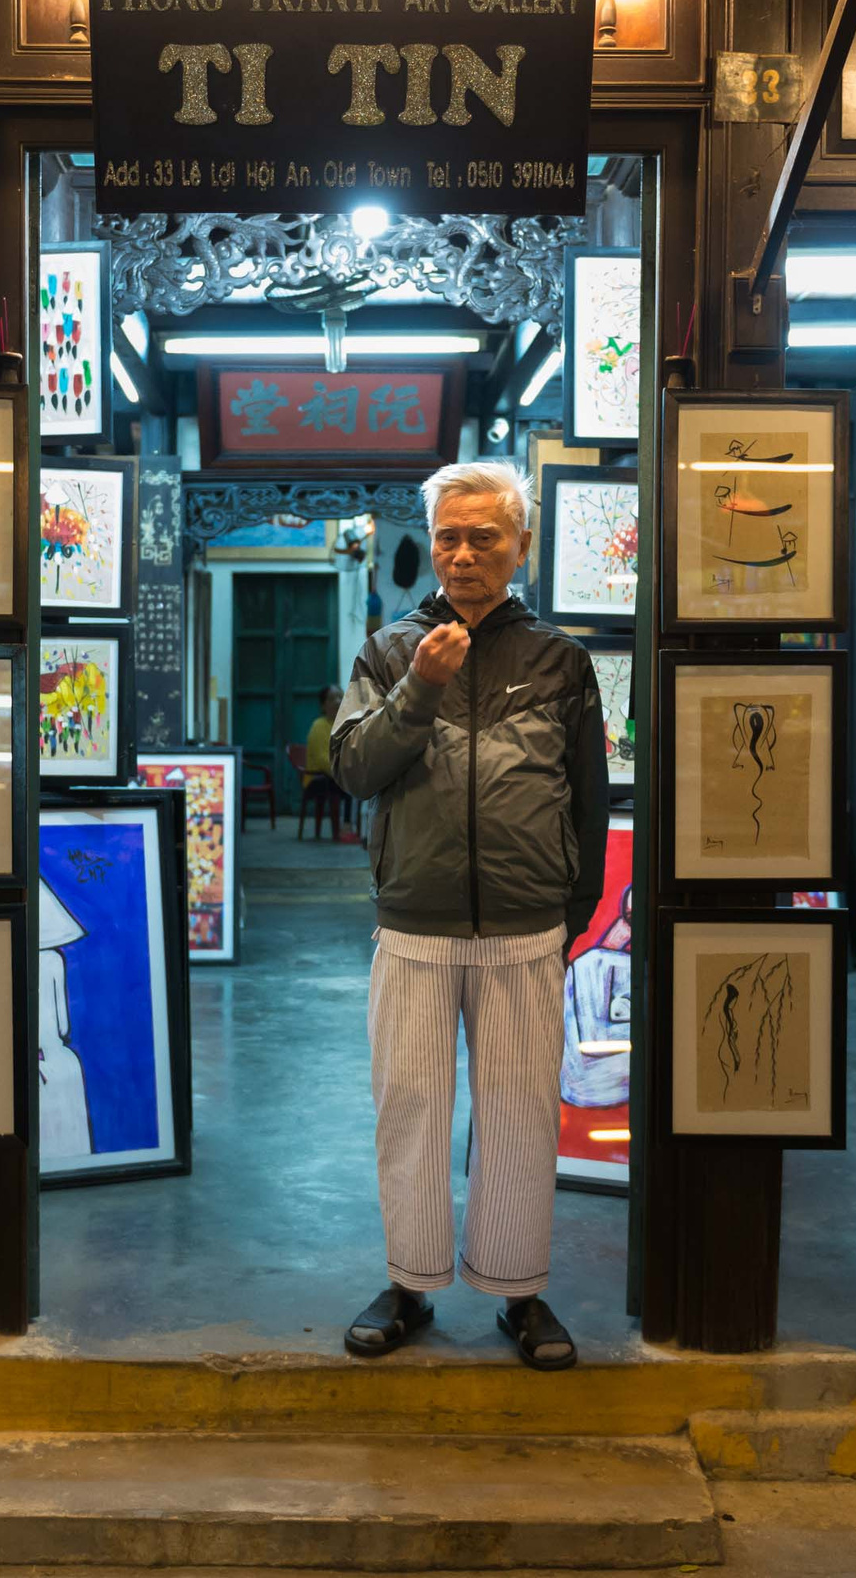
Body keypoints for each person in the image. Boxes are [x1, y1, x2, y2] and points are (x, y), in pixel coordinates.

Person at [329, 460, 608, 1371]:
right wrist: (419, 688)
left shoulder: (560, 661)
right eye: (448, 535)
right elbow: (354, 770)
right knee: (408, 1103)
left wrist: (574, 909)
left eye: (483, 536)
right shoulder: (388, 650)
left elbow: (589, 802)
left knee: (522, 1110)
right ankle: (410, 1282)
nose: (461, 553)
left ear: (520, 546)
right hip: (414, 920)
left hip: (529, 924)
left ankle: (518, 1290)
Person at [303, 684, 350, 840]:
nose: (337, 702)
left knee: (360, 783)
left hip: (335, 775)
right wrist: (344, 774)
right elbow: (322, 760)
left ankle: (349, 829)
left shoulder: (344, 725)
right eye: (332, 699)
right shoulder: (318, 726)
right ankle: (340, 832)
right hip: (317, 778)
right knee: (343, 784)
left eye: (340, 697)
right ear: (323, 706)